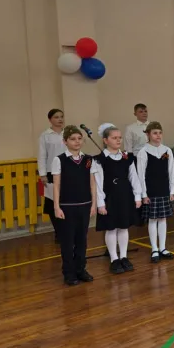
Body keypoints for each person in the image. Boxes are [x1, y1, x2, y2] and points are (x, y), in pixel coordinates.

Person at [52, 125, 99, 286]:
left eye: (79, 138)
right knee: (67, 241)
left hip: (85, 204)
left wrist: (93, 204)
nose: (77, 141)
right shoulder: (59, 160)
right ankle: (69, 272)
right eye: (73, 139)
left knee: (82, 240)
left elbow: (92, 183)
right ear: (65, 141)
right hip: (67, 206)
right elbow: (56, 185)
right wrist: (57, 207)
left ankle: (80, 269)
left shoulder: (88, 160)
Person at [94, 124, 142, 275]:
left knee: (124, 227)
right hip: (110, 197)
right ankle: (114, 258)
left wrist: (137, 196)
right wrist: (100, 203)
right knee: (111, 227)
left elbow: (133, 177)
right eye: (114, 138)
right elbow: (98, 183)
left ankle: (124, 256)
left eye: (119, 137)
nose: (118, 140)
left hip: (125, 195)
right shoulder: (100, 160)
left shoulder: (127, 157)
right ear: (105, 140)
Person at [137, 122, 174, 263]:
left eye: (160, 133)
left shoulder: (167, 150)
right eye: (154, 133)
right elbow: (141, 175)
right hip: (151, 191)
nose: (158, 135)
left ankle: (163, 247)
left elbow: (171, 172)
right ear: (148, 134)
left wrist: (172, 191)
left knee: (163, 219)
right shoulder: (143, 152)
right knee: (153, 220)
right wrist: (144, 194)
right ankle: (154, 248)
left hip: (164, 189)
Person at [38, 108, 66, 243]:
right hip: (51, 172)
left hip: (67, 171)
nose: (60, 119)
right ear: (50, 119)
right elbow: (42, 155)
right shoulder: (45, 135)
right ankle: (58, 231)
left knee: (66, 201)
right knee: (52, 202)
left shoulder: (68, 133)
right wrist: (43, 174)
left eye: (61, 117)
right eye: (56, 117)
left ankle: (67, 230)